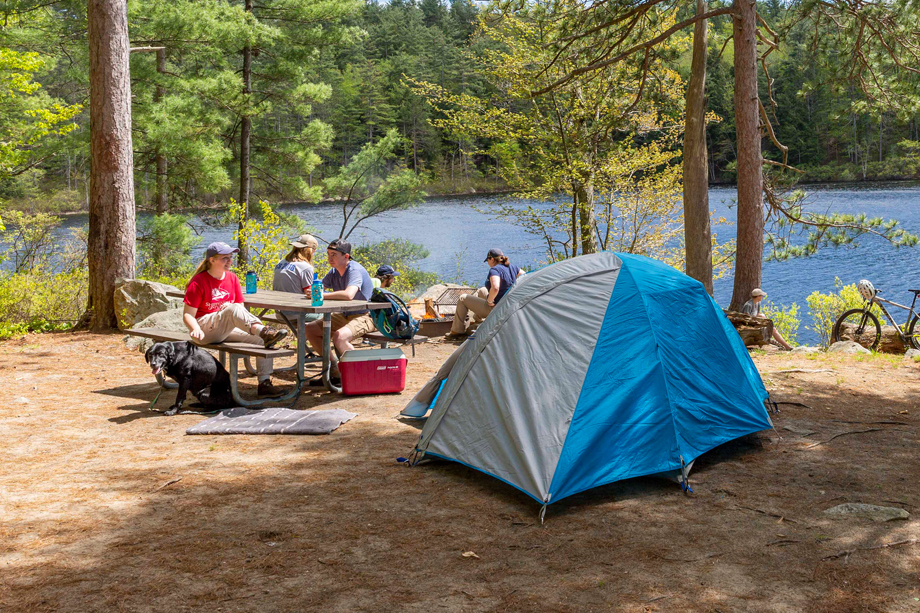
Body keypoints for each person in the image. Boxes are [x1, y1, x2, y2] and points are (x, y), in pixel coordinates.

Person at [183, 241, 289, 397]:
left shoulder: (232, 278)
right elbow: (187, 315)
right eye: (225, 258)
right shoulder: (199, 281)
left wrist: (230, 308)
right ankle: (263, 330)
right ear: (212, 260)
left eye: (230, 257)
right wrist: (195, 329)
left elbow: (239, 307)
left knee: (262, 341)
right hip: (203, 330)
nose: (230, 261)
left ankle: (264, 383)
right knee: (234, 309)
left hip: (225, 328)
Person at [304, 239, 376, 382]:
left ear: (346, 256)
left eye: (334, 255)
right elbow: (319, 288)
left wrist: (322, 295)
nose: (330, 258)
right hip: (344, 314)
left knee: (340, 337)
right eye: (329, 254)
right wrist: (312, 291)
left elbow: (349, 295)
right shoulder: (334, 272)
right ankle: (334, 367)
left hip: (366, 315)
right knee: (310, 330)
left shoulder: (354, 270)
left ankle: (361, 374)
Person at [448, 248, 525, 337]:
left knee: (463, 298)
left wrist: (489, 301)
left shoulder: (495, 270)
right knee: (482, 290)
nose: (488, 263)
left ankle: (457, 331)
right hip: (509, 304)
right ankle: (478, 319)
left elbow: (495, 287)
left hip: (497, 308)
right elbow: (527, 278)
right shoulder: (512, 267)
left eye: (488, 260)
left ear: (492, 259)